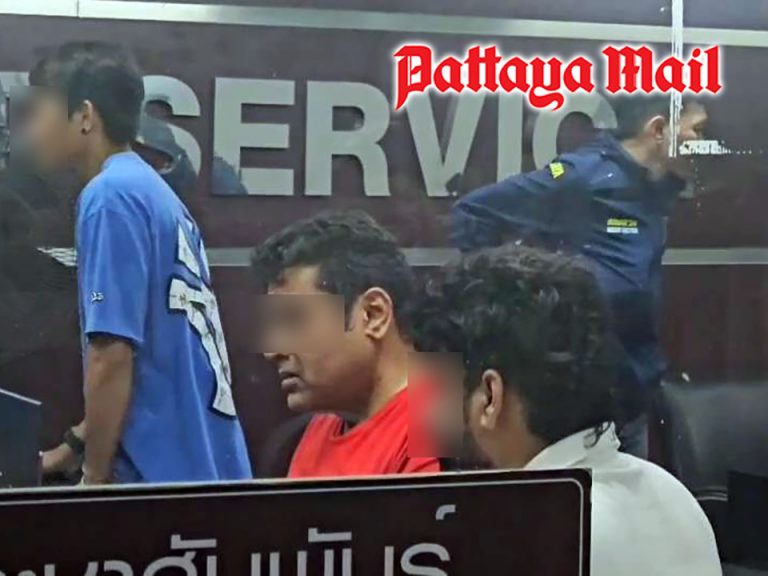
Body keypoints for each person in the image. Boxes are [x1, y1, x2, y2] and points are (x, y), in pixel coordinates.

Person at [414, 245, 721, 576]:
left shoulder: (519, 539)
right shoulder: (672, 494)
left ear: (490, 396)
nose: (424, 415)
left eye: (436, 389)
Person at [22, 41, 251, 484]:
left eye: (41, 111)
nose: (32, 130)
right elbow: (152, 360)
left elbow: (111, 355)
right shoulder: (151, 192)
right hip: (207, 472)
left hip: (160, 484)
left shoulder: (109, 197)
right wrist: (75, 445)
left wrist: (94, 478)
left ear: (84, 116)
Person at [451, 96, 708, 458]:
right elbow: (474, 211)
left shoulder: (657, 188)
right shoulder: (581, 175)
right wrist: (515, 296)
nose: (704, 143)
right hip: (581, 398)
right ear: (658, 129)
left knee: (629, 491)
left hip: (634, 390)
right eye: (697, 130)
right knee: (582, 493)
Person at [251, 210, 440, 478]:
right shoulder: (325, 423)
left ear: (373, 314)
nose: (273, 351)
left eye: (294, 320)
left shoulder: (439, 425)